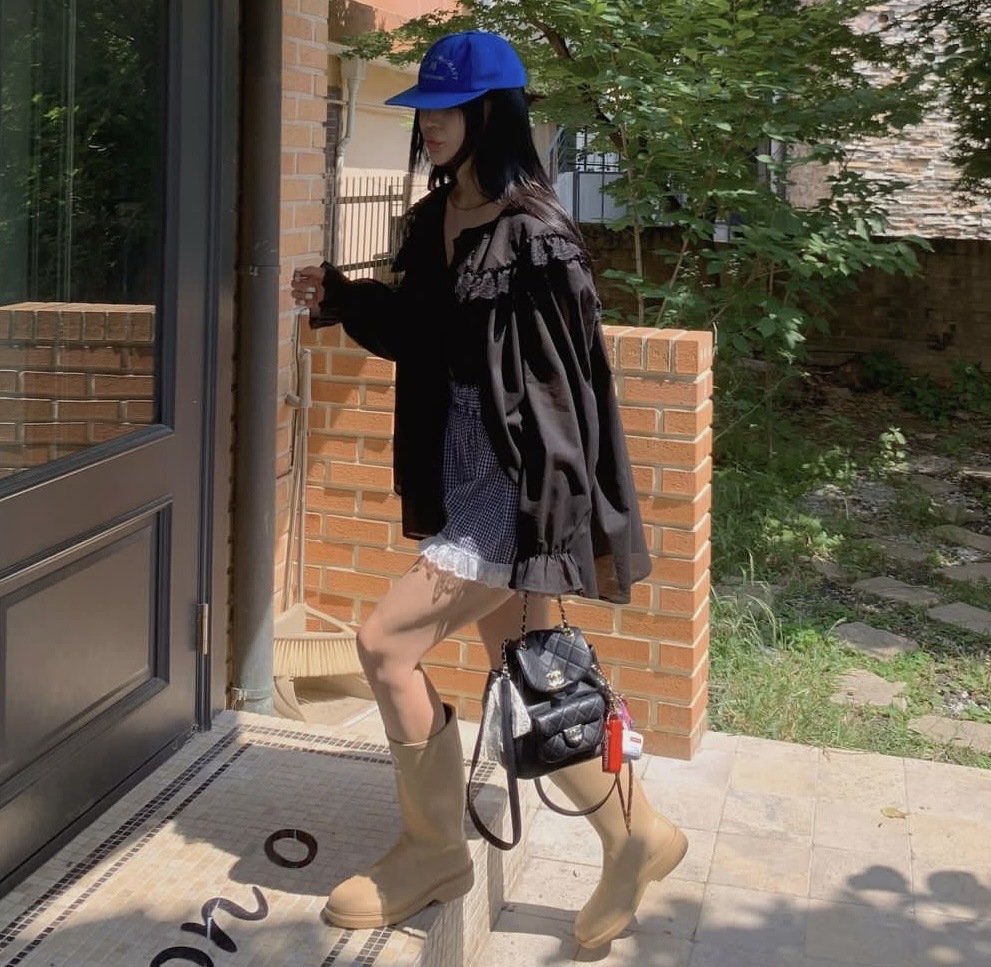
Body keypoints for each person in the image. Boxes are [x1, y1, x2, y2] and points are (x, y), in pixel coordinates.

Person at [292, 30, 687, 948]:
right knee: (529, 667)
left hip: (516, 481)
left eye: (447, 108)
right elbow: (422, 335)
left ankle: (433, 850)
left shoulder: (535, 235)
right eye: (423, 109)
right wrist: (343, 297)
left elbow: (565, 393)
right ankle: (637, 834)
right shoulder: (439, 218)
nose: (429, 124)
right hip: (457, 458)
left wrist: (548, 517)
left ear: (491, 114)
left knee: (384, 643)